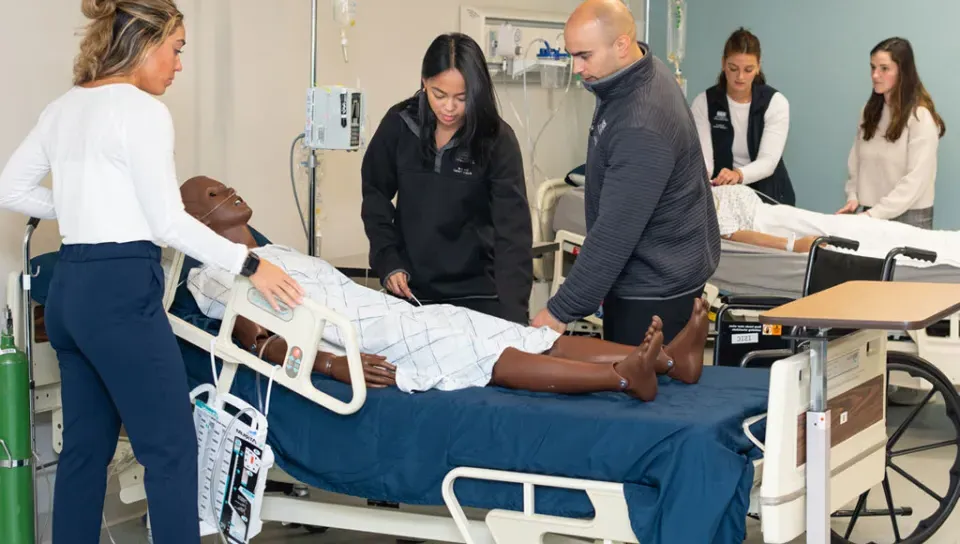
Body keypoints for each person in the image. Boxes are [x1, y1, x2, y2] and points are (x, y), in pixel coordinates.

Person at [0, 2, 303, 543]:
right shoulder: (141, 112)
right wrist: (250, 263)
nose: (179, 64)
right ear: (143, 43)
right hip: (118, 294)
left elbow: (11, 188)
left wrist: (76, 207)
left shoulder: (65, 106)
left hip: (70, 291)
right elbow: (168, 222)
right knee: (169, 450)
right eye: (176, 48)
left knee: (85, 454)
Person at [179, 176, 710, 401]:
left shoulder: (274, 251)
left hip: (394, 315)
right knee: (482, 354)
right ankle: (621, 379)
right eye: (212, 191)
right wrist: (333, 364)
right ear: (193, 217)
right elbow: (253, 338)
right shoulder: (215, 271)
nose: (228, 189)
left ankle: (667, 364)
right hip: (363, 339)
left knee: (504, 332)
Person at [532, 0, 721, 345]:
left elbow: (613, 235)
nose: (577, 68)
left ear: (621, 44)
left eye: (584, 56)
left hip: (654, 295)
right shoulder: (641, 72)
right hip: (665, 277)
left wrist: (560, 311)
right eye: (572, 55)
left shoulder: (642, 121)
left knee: (638, 393)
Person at [361, 33, 532, 325]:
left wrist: (514, 318)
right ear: (424, 82)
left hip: (478, 297)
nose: (449, 108)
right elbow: (375, 194)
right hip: (412, 293)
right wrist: (388, 260)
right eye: (439, 94)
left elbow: (513, 236)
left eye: (462, 98)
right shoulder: (400, 125)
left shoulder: (497, 140)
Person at [837, 37, 946, 229]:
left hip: (909, 218)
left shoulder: (920, 117)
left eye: (884, 68)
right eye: (872, 67)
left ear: (902, 72)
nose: (875, 75)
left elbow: (916, 180)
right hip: (870, 211)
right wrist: (853, 197)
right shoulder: (869, 112)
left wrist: (873, 214)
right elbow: (856, 162)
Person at [714, 184, 959, 267]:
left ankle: (949, 244)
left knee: (879, 230)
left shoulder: (711, 188)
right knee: (869, 242)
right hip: (781, 229)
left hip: (790, 217)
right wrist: (793, 245)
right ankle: (948, 253)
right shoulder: (702, 208)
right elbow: (733, 235)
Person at [690, 28, 796, 205]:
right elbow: (705, 163)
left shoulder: (775, 103)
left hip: (770, 197)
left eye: (748, 69)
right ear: (723, 64)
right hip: (724, 196)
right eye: (733, 68)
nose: (740, 77)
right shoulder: (704, 103)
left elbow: (768, 162)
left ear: (758, 67)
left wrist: (738, 175)